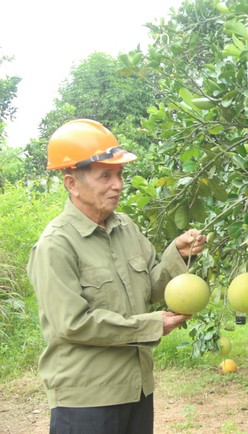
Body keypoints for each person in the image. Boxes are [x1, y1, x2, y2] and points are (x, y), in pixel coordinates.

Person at [27, 119, 207, 434]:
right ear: (72, 183)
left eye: (120, 174)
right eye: (105, 176)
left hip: (136, 389)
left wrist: (177, 254)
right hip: (86, 399)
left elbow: (151, 287)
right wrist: (152, 325)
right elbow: (73, 323)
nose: (118, 185)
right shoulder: (56, 245)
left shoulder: (125, 228)